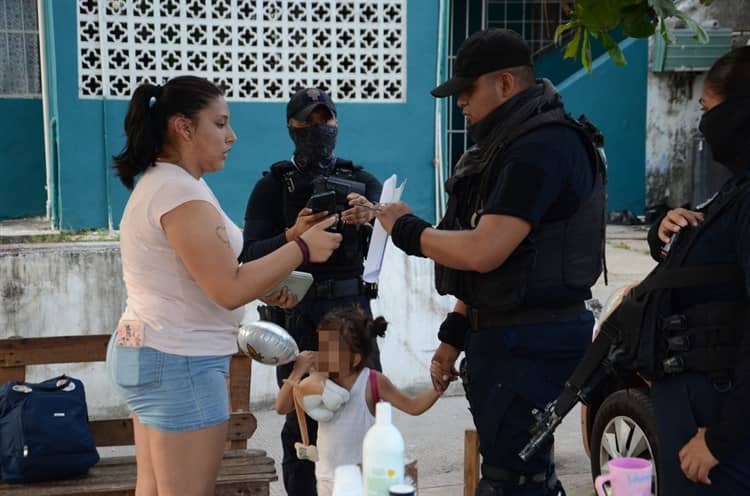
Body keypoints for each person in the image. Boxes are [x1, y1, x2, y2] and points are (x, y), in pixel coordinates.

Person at [376, 29, 606, 496]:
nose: (460, 102)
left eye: (467, 89)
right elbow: (499, 268)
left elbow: (485, 249)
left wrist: (407, 229)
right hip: (508, 334)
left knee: (514, 481)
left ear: (505, 84)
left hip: (529, 341)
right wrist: (455, 335)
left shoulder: (540, 147)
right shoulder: (512, 143)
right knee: (515, 474)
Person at [106, 76, 341, 496]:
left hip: (154, 352)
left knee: (156, 487)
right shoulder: (179, 192)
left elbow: (210, 274)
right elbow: (226, 288)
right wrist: (303, 248)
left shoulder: (172, 183)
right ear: (184, 127)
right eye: (220, 123)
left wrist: (271, 271)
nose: (231, 136)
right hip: (179, 362)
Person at [240, 87, 383, 495]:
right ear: (292, 127)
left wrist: (372, 218)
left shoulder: (362, 181)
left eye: (327, 120)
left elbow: (394, 237)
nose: (320, 129)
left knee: (366, 408)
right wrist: (294, 235)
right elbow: (249, 256)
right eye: (309, 122)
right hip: (299, 311)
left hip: (353, 312)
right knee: (303, 416)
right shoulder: (273, 186)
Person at [644, 46, 750, 494]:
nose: (702, 125)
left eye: (707, 109)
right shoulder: (736, 188)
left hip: (719, 423)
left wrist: (721, 438)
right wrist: (666, 233)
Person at [275, 307, 442, 496]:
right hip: (326, 477)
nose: (321, 354)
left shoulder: (371, 381)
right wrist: (298, 371)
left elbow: (413, 406)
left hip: (364, 479)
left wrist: (438, 388)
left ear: (354, 359)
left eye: (330, 350)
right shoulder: (319, 379)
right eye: (322, 346)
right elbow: (282, 407)